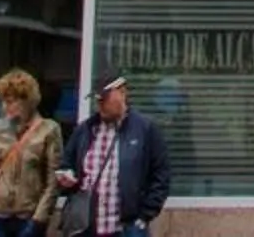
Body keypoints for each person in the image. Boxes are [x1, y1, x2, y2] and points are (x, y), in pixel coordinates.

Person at [55, 71, 171, 237]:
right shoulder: (85, 130)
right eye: (97, 100)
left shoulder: (145, 130)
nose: (100, 104)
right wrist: (66, 177)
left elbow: (161, 174)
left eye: (105, 99)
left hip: (127, 227)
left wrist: (145, 215)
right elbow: (66, 164)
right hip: (87, 227)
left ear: (122, 93)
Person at [0, 70, 63, 237]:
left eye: (11, 102)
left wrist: (39, 219)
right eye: (3, 101)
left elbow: (53, 181)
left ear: (27, 101)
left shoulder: (49, 130)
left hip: (29, 214)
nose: (5, 107)